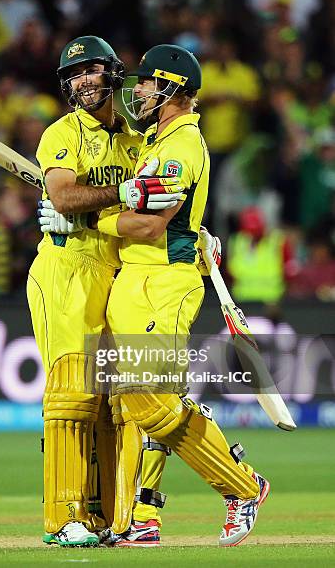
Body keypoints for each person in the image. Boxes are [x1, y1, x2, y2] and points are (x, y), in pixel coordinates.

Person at [97, 44, 270, 547]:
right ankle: (142, 518)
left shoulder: (179, 148)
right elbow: (174, 213)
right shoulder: (160, 141)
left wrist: (86, 218)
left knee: (152, 404)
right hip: (137, 279)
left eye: (149, 83)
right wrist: (197, 229)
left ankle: (243, 486)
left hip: (162, 283)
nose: (140, 92)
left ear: (171, 89)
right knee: (135, 406)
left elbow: (150, 226)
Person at [27, 35, 181, 547]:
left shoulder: (140, 141)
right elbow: (64, 193)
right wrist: (114, 195)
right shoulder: (61, 133)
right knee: (73, 394)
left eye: (91, 70)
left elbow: (153, 212)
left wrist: (194, 233)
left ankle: (115, 517)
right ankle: (63, 517)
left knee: (122, 400)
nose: (81, 82)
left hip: (120, 274)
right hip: (66, 271)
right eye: (73, 76)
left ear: (115, 73)